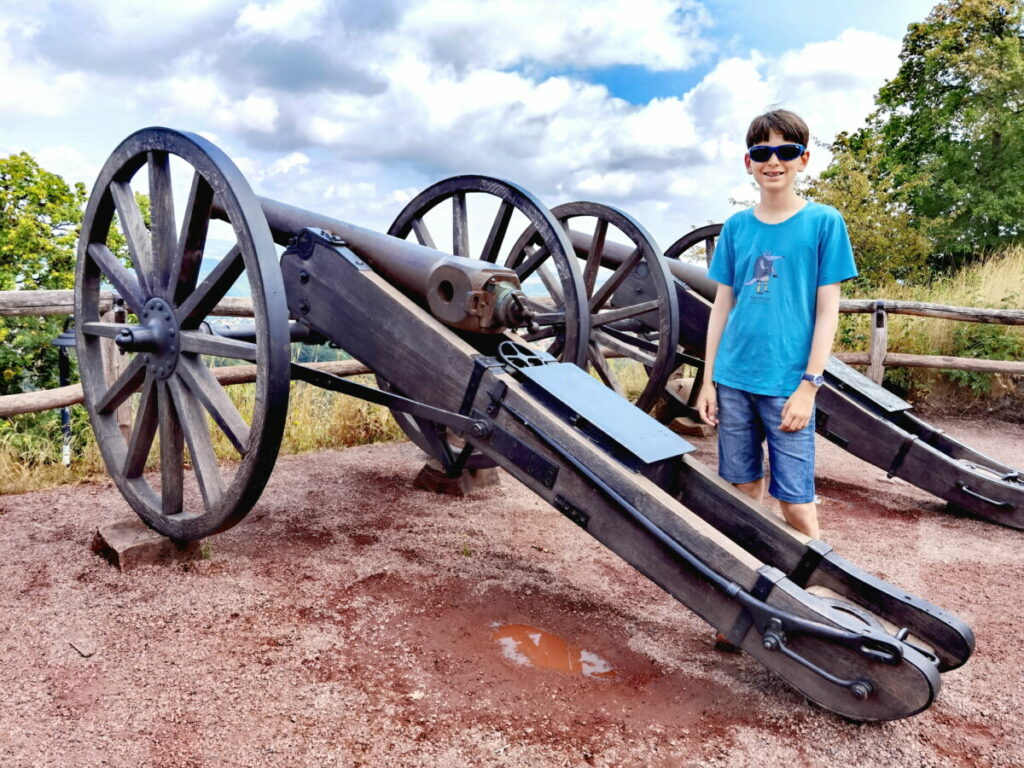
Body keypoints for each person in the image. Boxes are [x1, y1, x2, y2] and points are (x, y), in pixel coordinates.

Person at [696, 109, 857, 541]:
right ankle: (754, 582)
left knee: (797, 504)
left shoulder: (824, 223)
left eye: (786, 151)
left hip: (787, 384)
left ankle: (818, 592)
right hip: (733, 378)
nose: (774, 161)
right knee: (742, 489)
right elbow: (722, 306)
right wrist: (708, 381)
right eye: (762, 152)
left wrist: (809, 385)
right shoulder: (736, 228)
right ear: (748, 162)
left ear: (803, 159)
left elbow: (828, 311)